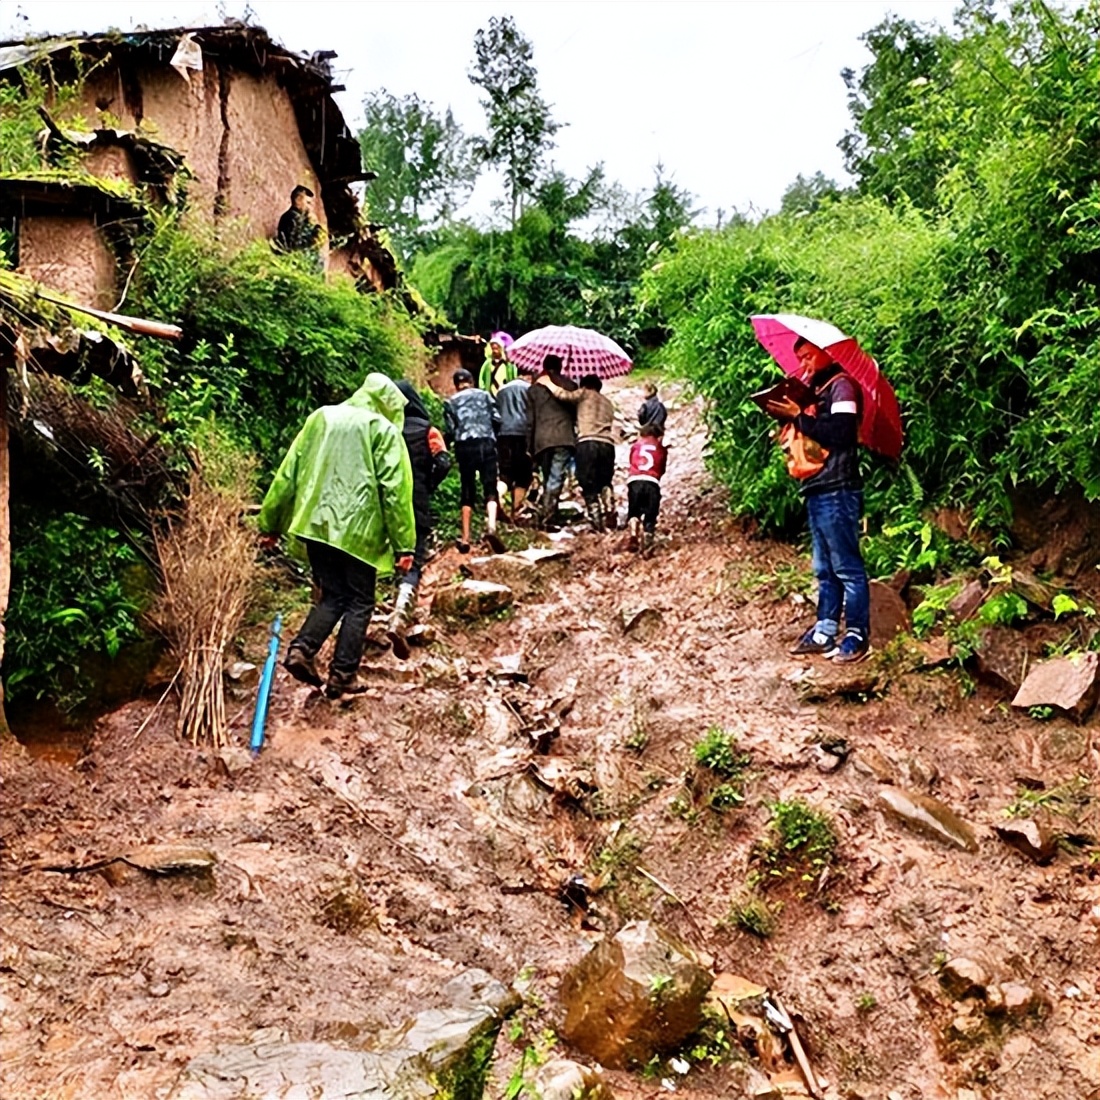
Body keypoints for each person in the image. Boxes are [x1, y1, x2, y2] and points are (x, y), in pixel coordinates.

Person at [258, 373, 416, 699]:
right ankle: (342, 675)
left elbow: (288, 474)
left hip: (315, 525)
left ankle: (302, 650)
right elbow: (394, 491)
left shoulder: (321, 418)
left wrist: (270, 523)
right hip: (359, 530)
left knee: (332, 595)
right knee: (360, 601)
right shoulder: (382, 430)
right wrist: (404, 543)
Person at [766, 336, 870, 663]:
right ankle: (825, 629)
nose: (806, 365)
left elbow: (840, 433)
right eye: (801, 359)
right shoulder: (817, 391)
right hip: (816, 486)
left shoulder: (843, 388)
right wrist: (790, 419)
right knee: (824, 567)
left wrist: (799, 416)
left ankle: (856, 634)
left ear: (827, 352)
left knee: (847, 567)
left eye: (809, 357)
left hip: (838, 486)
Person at [387, 380, 451, 658]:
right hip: (419, 498)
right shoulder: (429, 431)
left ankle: (390, 597)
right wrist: (430, 483)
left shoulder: (386, 428)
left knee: (392, 550)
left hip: (388, 501)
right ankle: (401, 611)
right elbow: (444, 461)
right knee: (415, 552)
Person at [538, 373, 617, 531]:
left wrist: (548, 383)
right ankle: (609, 509)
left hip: (588, 442)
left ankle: (596, 522)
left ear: (584, 385)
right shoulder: (608, 403)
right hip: (607, 445)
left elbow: (563, 395)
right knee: (604, 481)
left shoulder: (583, 394)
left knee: (587, 482)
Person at [443, 369, 504, 554]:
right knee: (490, 486)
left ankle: (466, 537)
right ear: (472, 380)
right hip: (486, 442)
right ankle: (492, 527)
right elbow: (497, 419)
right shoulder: (485, 396)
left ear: (456, 384)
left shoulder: (450, 402)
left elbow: (451, 429)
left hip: (464, 446)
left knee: (467, 488)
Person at [526, 354, 578, 528]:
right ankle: (548, 516)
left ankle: (548, 512)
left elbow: (530, 420)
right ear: (561, 367)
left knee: (549, 476)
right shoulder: (570, 385)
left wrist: (529, 447)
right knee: (555, 478)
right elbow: (575, 414)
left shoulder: (533, 389)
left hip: (541, 440)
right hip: (563, 438)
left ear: (545, 367)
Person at [494, 367, 534, 521]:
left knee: (505, 473)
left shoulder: (501, 391)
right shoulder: (529, 390)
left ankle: (497, 494)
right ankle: (515, 512)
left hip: (503, 434)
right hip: (523, 434)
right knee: (523, 475)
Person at [626, 422, 668, 556]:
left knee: (634, 511)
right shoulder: (660, 448)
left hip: (635, 481)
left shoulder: (636, 445)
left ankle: (633, 533)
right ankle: (648, 543)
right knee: (651, 514)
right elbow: (662, 468)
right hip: (652, 482)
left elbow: (631, 462)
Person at [275, 185, 323, 261]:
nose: (310, 207)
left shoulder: (297, 218)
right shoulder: (293, 218)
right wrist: (316, 233)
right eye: (308, 203)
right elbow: (296, 247)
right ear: (298, 200)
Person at [479, 332, 517, 396]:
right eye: (493, 349)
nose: (494, 351)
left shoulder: (508, 364)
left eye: (496, 348)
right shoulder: (487, 363)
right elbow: (481, 378)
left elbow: (514, 376)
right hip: (491, 392)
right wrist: (483, 390)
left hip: (505, 392)